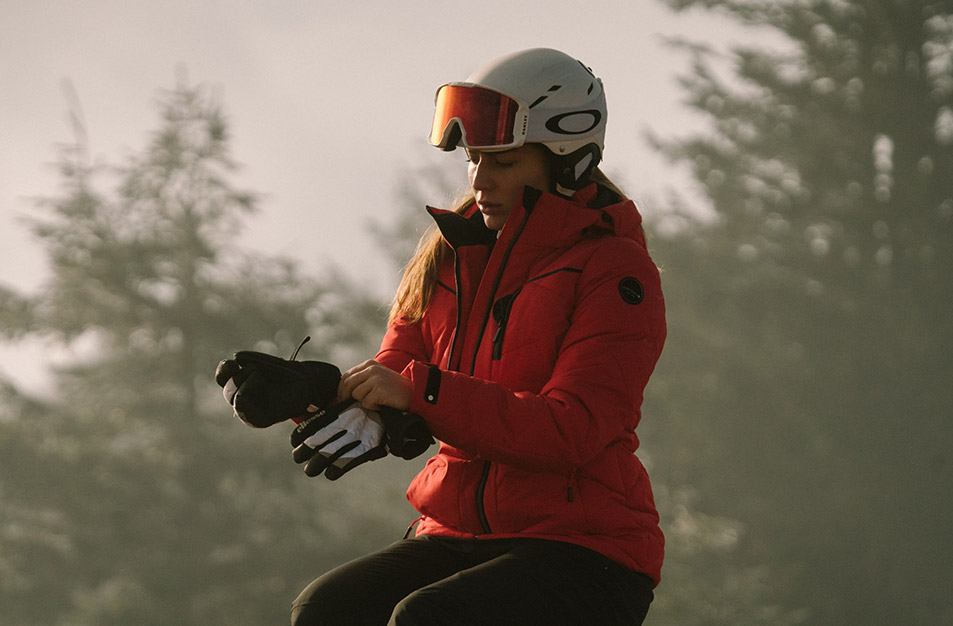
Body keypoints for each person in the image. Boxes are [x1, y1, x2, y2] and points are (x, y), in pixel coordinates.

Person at [291, 47, 666, 626]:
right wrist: (310, 394)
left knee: (430, 618)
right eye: (473, 159)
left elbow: (571, 429)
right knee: (326, 609)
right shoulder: (450, 256)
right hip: (455, 532)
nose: (480, 179)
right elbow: (397, 373)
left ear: (566, 161)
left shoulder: (615, 271)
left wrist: (422, 393)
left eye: (504, 162)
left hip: (587, 551)